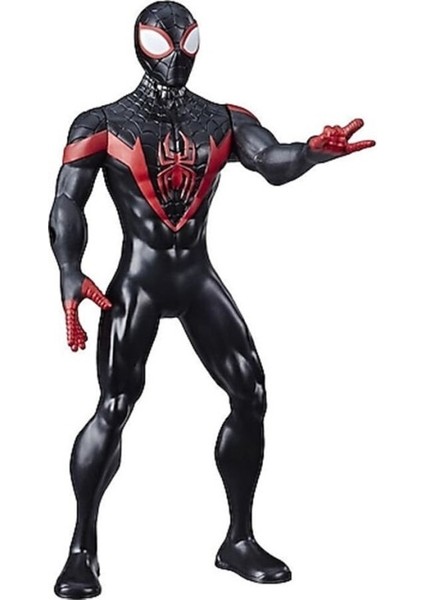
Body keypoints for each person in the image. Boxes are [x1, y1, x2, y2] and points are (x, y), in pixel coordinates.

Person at [49, 2, 375, 597]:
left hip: (195, 276)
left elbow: (268, 159)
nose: (176, 57)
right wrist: (69, 269)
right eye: (162, 44)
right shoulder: (101, 123)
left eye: (187, 43)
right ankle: (81, 548)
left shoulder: (223, 119)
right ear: (140, 46)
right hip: (140, 279)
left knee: (251, 394)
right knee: (115, 405)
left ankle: (238, 540)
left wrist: (310, 152)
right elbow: (68, 202)